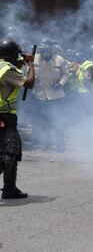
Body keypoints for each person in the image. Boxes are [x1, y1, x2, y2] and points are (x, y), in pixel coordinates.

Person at [0, 38, 35, 199]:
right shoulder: (8, 70)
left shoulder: (3, 68)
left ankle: (10, 188)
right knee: (10, 153)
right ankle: (9, 188)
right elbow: (29, 83)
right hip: (5, 116)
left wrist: (21, 63)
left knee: (11, 151)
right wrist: (31, 64)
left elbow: (13, 75)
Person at [32, 39, 68, 151]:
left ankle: (60, 144)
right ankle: (45, 143)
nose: (44, 51)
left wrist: (61, 83)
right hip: (40, 95)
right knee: (43, 121)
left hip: (56, 96)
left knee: (58, 120)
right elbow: (28, 73)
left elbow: (65, 75)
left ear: (51, 49)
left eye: (46, 49)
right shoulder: (34, 58)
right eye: (42, 49)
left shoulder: (59, 59)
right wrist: (33, 80)